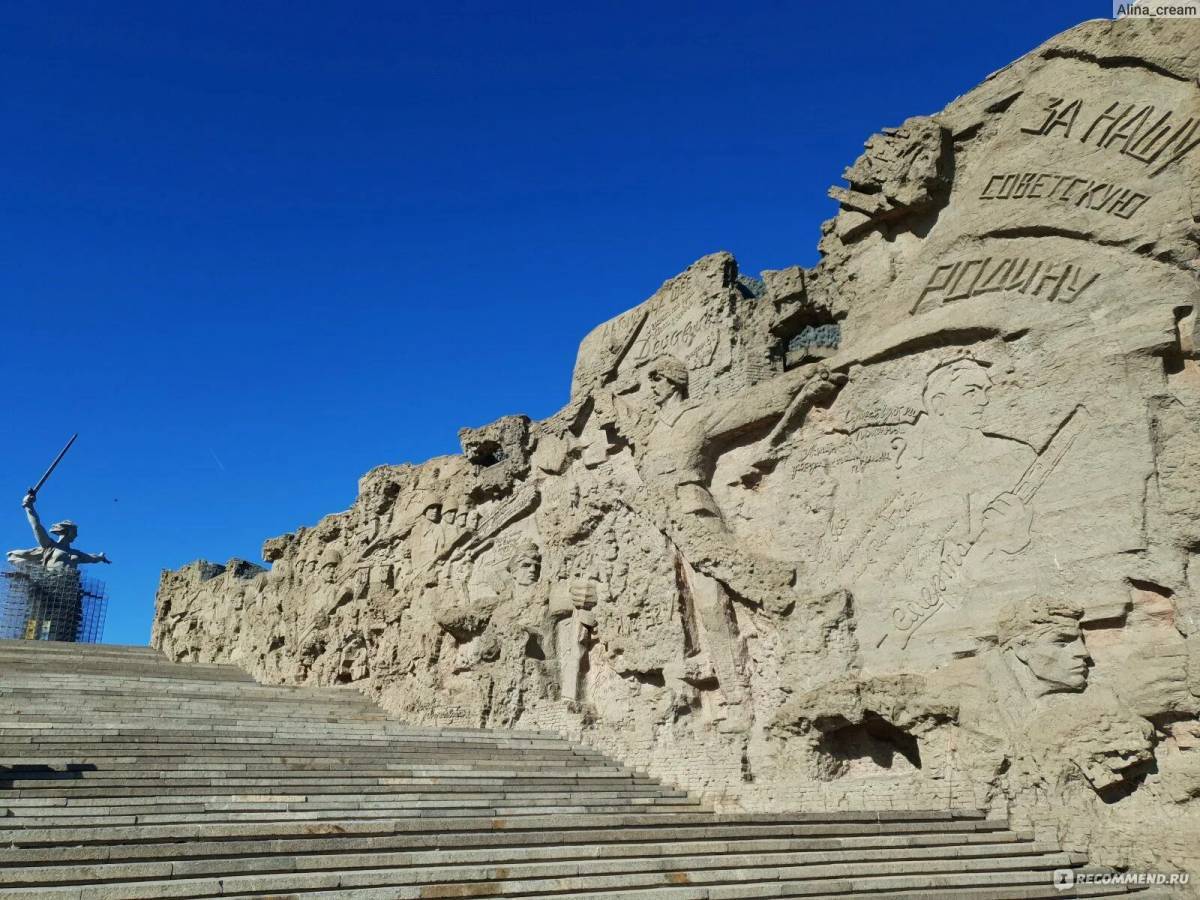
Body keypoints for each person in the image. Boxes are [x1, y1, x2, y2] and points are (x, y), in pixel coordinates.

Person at [7, 491, 110, 641]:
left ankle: (54, 641)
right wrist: (29, 506)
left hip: (67, 587)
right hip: (46, 584)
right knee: (37, 614)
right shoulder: (50, 546)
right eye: (75, 532)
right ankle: (30, 640)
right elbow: (37, 527)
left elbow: (90, 558)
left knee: (63, 620)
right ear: (68, 532)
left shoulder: (75, 553)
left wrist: (100, 557)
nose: (77, 536)